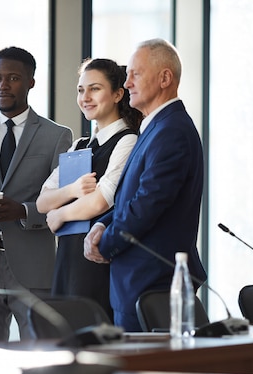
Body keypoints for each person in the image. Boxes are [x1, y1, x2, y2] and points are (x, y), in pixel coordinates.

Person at [84, 39, 207, 331]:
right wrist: (102, 224)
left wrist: (107, 243)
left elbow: (147, 205)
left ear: (165, 78)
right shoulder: (156, 127)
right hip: (139, 284)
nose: (126, 84)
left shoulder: (171, 131)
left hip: (153, 285)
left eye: (135, 74)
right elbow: (133, 194)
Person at [0, 46, 73, 342]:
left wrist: (24, 211)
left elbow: (66, 199)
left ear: (31, 81)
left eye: (13, 78)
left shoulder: (57, 135)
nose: (2, 85)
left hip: (35, 269)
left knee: (42, 356)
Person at [36, 58, 142, 320]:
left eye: (95, 89)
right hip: (68, 261)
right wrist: (72, 189)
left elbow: (101, 201)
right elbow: (41, 202)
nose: (86, 97)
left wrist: (59, 215)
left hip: (97, 260)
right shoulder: (80, 145)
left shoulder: (127, 140)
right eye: (81, 90)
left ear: (118, 94)